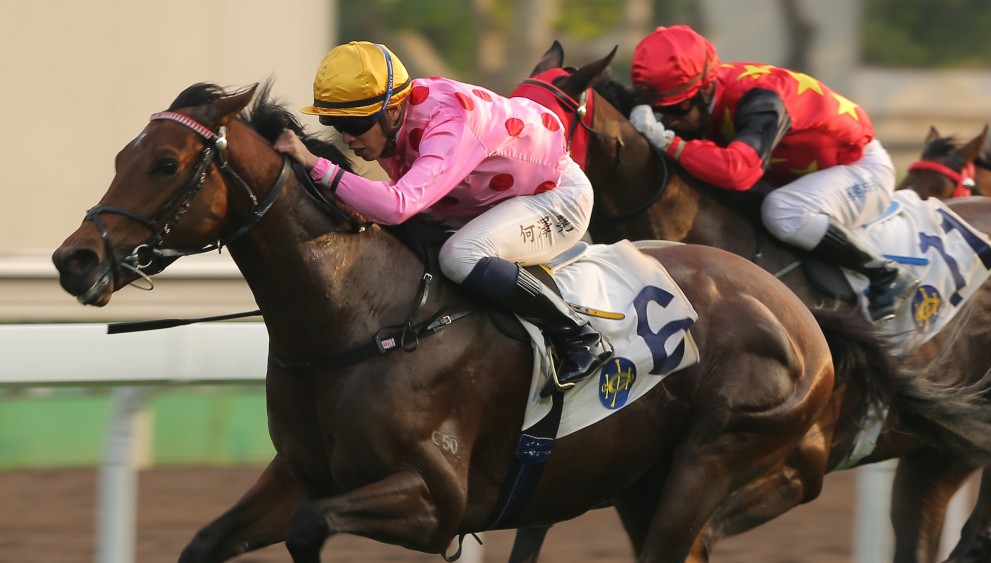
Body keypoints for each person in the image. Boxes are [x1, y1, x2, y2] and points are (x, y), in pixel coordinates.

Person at [275, 41, 611, 393]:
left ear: (393, 111)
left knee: (459, 256)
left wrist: (317, 165)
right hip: (491, 202)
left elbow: (397, 205)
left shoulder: (449, 122)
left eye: (355, 124)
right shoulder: (392, 126)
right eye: (334, 123)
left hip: (556, 197)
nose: (347, 138)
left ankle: (579, 336)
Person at [627, 24, 916, 321]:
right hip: (792, 176)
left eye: (678, 108)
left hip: (860, 168)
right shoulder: (708, 96)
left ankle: (886, 274)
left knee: (782, 210)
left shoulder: (762, 99)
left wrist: (668, 142)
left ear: (707, 87)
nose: (671, 120)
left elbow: (739, 172)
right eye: (660, 111)